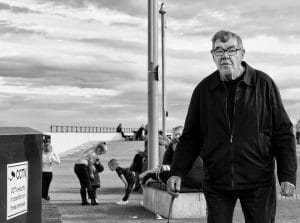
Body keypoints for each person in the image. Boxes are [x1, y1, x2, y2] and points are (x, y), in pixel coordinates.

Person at [167, 30, 297, 223]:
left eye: (231, 50)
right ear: (212, 56)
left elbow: (283, 132)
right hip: (217, 180)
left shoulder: (264, 85)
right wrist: (177, 172)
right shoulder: (203, 90)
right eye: (218, 51)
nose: (225, 56)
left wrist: (287, 175)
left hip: (258, 180)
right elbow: (190, 137)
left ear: (242, 53)